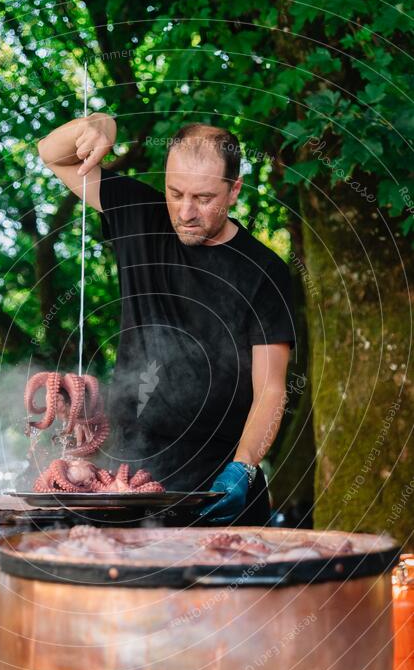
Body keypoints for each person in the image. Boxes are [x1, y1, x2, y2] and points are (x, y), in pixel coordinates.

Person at [37, 114, 296, 525]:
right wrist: (101, 124)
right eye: (175, 193)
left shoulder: (264, 272)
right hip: (126, 480)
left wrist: (244, 466)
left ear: (234, 191)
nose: (186, 212)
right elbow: (52, 154)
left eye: (204, 198)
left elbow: (271, 390)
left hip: (215, 483)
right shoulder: (140, 215)